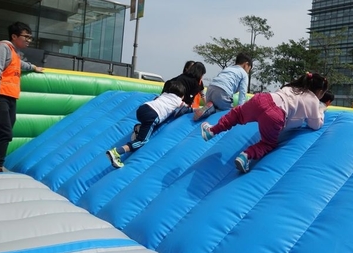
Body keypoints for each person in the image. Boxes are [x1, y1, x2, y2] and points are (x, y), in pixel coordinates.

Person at [200, 72, 328, 173]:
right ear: (320, 92)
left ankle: (212, 130)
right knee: (268, 143)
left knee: (237, 114)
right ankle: (246, 156)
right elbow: (315, 124)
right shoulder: (313, 99)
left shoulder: (292, 88)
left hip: (263, 99)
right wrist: (321, 110)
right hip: (276, 115)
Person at [0, 21, 44, 172]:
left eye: (30, 37)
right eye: (26, 37)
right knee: (5, 132)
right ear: (14, 36)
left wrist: (34, 67)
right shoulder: (1, 48)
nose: (29, 40)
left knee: (0, 131)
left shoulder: (13, 52)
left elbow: (20, 64)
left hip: (9, 96)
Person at [106, 80, 189, 168]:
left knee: (148, 125)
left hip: (143, 108)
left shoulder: (164, 94)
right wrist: (191, 110)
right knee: (141, 141)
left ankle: (139, 128)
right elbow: (183, 110)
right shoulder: (179, 101)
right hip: (152, 115)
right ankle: (117, 152)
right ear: (182, 95)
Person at [193, 53, 252, 121]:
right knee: (229, 114)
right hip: (223, 92)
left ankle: (208, 108)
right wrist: (240, 111)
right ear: (246, 64)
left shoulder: (228, 69)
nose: (248, 72)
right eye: (249, 69)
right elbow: (243, 93)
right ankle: (211, 110)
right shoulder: (243, 74)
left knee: (216, 106)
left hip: (211, 89)